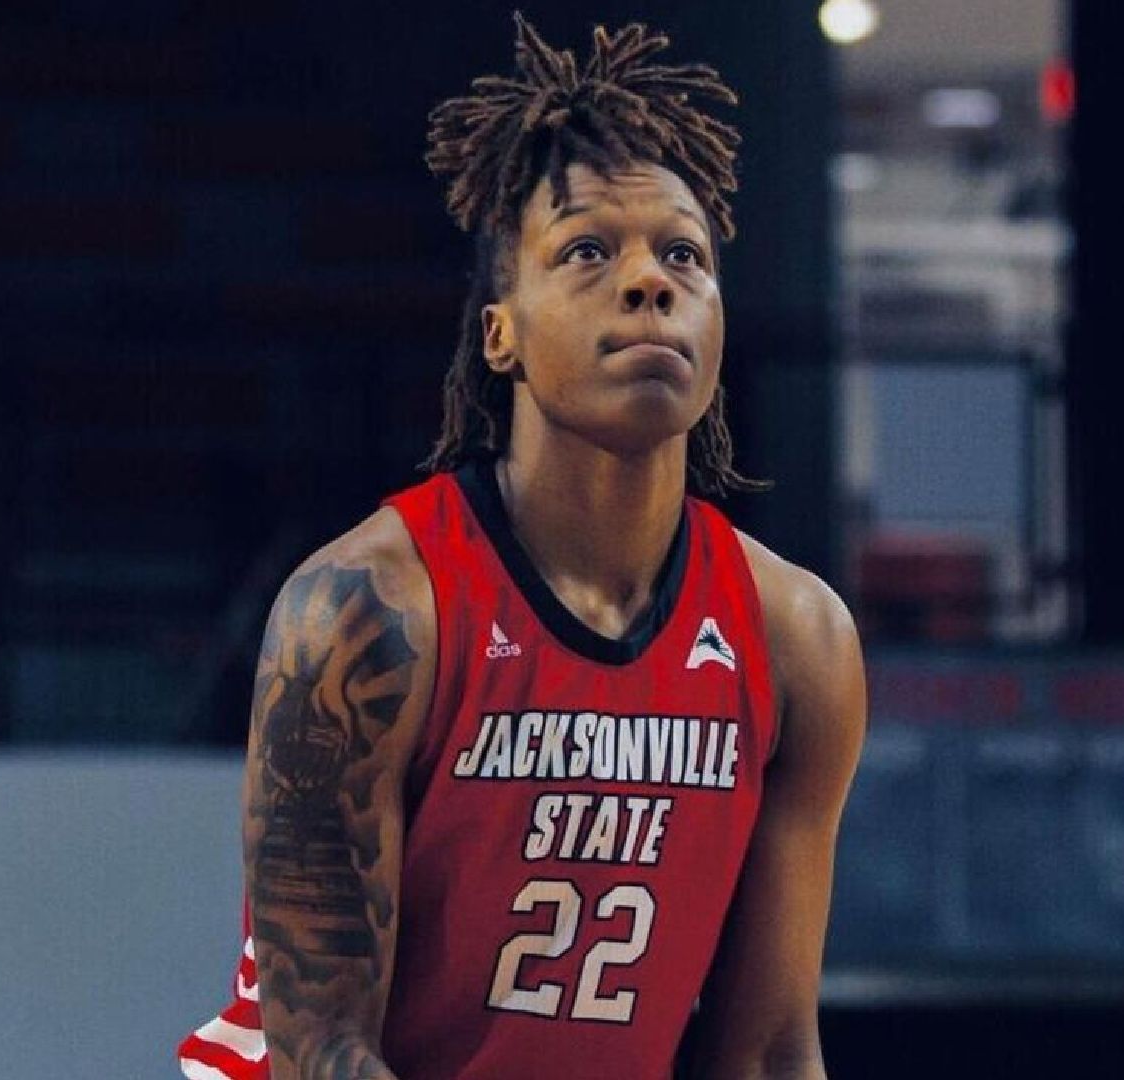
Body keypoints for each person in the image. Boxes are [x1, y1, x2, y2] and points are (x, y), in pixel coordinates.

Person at [180, 15, 864, 1080]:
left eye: (683, 255)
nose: (650, 283)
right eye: (588, 251)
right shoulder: (367, 610)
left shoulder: (797, 640)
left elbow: (772, 1051)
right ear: (500, 332)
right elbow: (320, 1048)